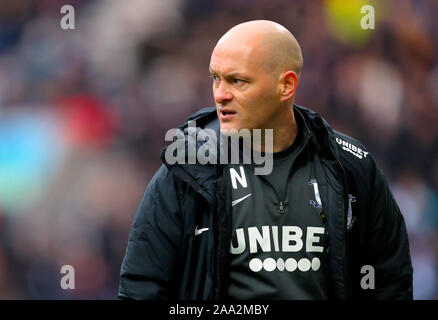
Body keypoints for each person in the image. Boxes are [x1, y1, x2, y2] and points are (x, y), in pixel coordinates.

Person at [118, 20, 413, 300]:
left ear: (286, 85)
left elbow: (391, 280)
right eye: (216, 79)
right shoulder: (188, 170)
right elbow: (142, 286)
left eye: (238, 81)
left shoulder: (351, 167)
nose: (220, 95)